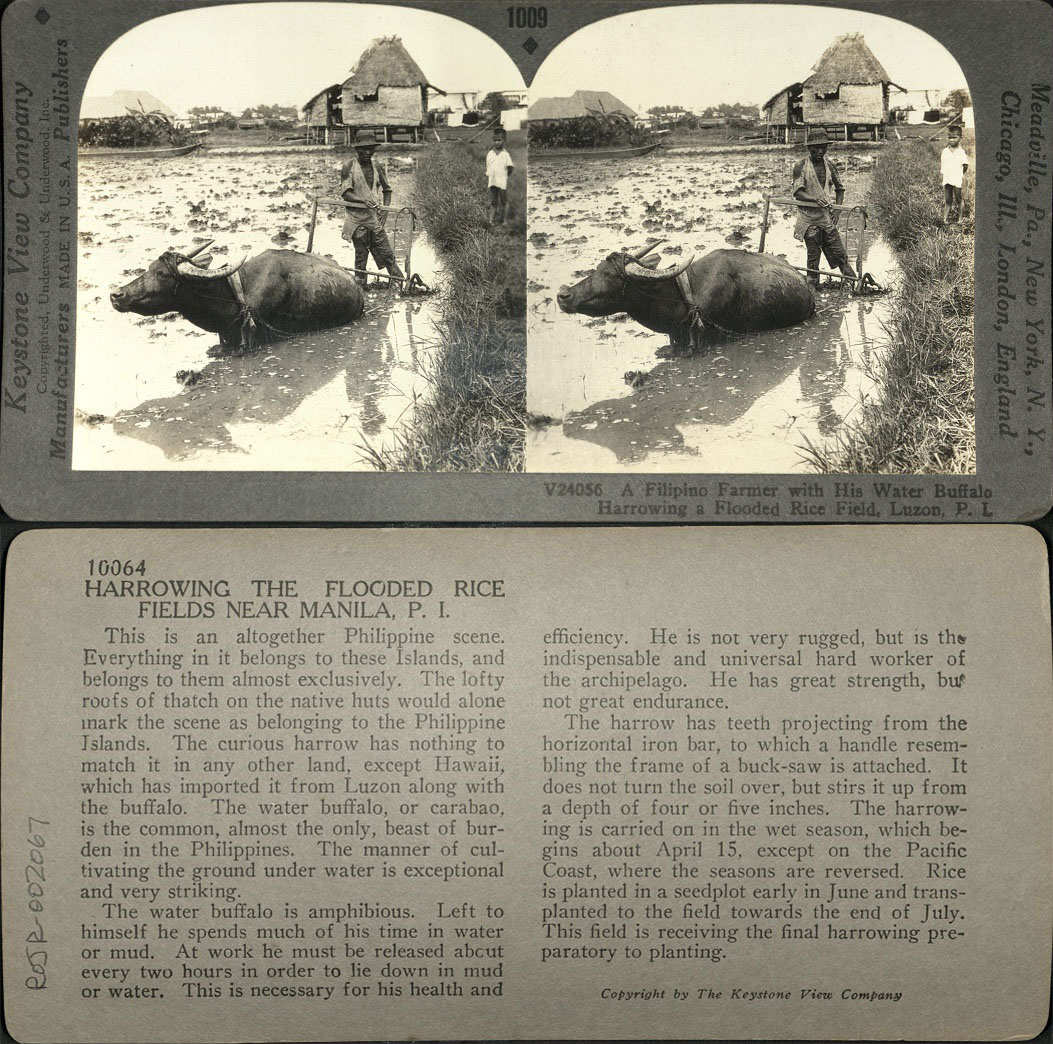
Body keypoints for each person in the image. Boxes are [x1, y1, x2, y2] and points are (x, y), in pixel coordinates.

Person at [792, 128, 857, 289]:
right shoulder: (801, 166)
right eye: (816, 148)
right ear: (809, 148)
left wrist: (837, 211)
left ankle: (855, 285)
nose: (820, 151)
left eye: (823, 147)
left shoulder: (829, 165)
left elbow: (840, 189)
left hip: (826, 218)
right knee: (813, 258)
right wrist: (815, 199)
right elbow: (798, 193)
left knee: (840, 255)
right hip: (808, 220)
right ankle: (813, 291)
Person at [340, 138, 405, 288]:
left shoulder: (377, 167)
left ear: (374, 150)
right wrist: (363, 200)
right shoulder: (349, 166)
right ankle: (360, 289)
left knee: (387, 254)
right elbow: (346, 193)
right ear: (357, 150)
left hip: (374, 219)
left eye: (370, 149)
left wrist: (386, 211)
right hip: (356, 220)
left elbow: (387, 190)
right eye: (363, 149)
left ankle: (402, 285)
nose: (367, 152)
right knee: (361, 256)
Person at [485, 126, 514, 226]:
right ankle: (490, 221)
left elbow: (510, 167)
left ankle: (505, 221)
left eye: (499, 140)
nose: (496, 142)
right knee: (493, 201)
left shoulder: (505, 155)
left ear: (504, 140)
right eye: (495, 140)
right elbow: (488, 166)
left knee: (504, 201)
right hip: (492, 180)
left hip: (501, 181)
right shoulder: (490, 153)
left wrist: (505, 176)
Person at [941, 124, 969, 225]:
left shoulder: (961, 152)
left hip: (957, 179)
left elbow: (965, 165)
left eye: (954, 137)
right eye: (950, 137)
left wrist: (959, 174)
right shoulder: (945, 151)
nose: (952, 140)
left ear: (960, 138)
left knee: (959, 199)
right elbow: (943, 164)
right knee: (948, 200)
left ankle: (960, 219)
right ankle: (945, 219)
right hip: (947, 178)